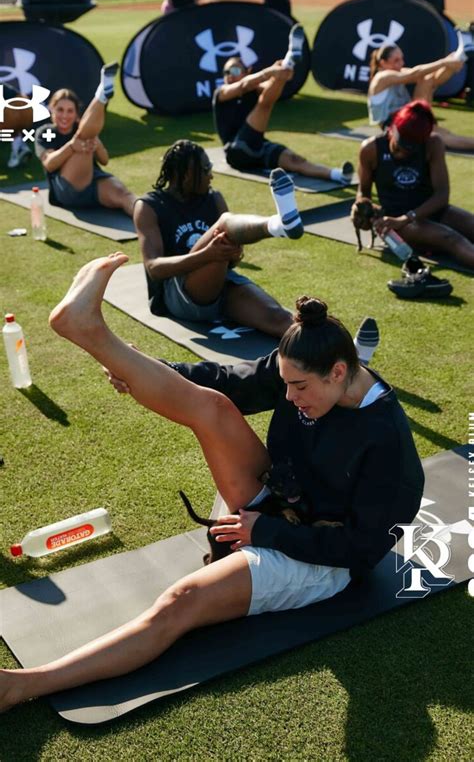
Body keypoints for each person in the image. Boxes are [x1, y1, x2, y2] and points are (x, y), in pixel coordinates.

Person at [0, 254, 423, 711]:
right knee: (215, 407)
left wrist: (265, 532)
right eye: (285, 383)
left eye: (299, 387)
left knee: (183, 600)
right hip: (283, 501)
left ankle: (20, 686)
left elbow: (360, 551)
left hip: (324, 556)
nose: (288, 397)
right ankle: (89, 331)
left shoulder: (388, 445)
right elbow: (227, 382)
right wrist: (142, 370)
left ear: (339, 372)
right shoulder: (307, 365)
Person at [134, 139, 305, 338]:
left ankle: (342, 351)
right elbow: (154, 268)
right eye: (206, 169)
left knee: (281, 319)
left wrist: (233, 254)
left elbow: (232, 259)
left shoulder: (214, 198)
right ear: (188, 175)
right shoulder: (149, 206)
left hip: (220, 282)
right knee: (225, 222)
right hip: (177, 293)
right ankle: (278, 226)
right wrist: (208, 255)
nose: (211, 175)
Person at [213, 31, 354, 182]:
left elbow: (269, 87)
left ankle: (338, 175)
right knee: (264, 105)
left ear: (247, 71)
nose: (229, 75)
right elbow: (244, 85)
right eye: (226, 72)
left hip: (258, 146)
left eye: (234, 70)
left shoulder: (255, 88)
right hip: (237, 151)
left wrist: (281, 75)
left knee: (296, 160)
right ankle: (289, 60)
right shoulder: (221, 92)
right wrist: (271, 72)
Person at [358, 100, 474, 270]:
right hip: (396, 219)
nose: (402, 154)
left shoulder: (433, 144)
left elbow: (442, 194)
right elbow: (363, 192)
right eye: (398, 147)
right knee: (450, 238)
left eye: (409, 150)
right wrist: (362, 208)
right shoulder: (370, 149)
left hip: (429, 211)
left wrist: (409, 216)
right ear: (393, 130)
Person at [35, 63, 136, 216]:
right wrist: (71, 147)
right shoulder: (45, 132)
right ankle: (101, 96)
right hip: (67, 189)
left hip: (95, 182)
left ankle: (152, 218)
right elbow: (49, 164)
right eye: (60, 110)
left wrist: (98, 146)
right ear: (51, 110)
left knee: (124, 195)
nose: (64, 115)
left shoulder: (84, 129)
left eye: (70, 111)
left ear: (76, 114)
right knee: (84, 137)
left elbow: (104, 160)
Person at [368, 40, 474, 152]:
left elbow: (432, 78)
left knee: (426, 79)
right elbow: (415, 73)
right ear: (383, 63)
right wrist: (445, 62)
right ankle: (459, 57)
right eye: (396, 60)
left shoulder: (396, 72)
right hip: (394, 127)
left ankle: (460, 57)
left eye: (401, 59)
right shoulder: (382, 77)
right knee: (441, 137)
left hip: (407, 120)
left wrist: (450, 65)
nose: (401, 63)